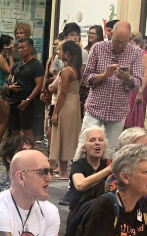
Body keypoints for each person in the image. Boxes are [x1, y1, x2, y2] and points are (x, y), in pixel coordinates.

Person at [79, 21, 143, 155]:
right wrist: (104, 75)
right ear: (111, 34)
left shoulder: (136, 52)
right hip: (96, 107)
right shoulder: (98, 48)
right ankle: (80, 175)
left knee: (110, 151)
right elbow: (86, 78)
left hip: (118, 110)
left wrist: (127, 78)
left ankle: (103, 176)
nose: (120, 45)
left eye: (124, 42)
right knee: (85, 147)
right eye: (117, 41)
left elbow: (137, 82)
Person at [49, 41, 83, 178]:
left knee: (61, 135)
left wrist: (55, 112)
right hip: (74, 104)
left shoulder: (66, 71)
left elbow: (61, 93)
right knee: (69, 136)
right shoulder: (76, 69)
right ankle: (64, 169)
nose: (59, 53)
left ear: (67, 54)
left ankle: (63, 171)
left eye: (62, 51)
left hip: (65, 103)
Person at [65, 126, 111, 214]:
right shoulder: (78, 164)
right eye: (92, 140)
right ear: (84, 147)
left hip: (103, 212)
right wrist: (108, 170)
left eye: (100, 140)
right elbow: (80, 185)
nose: (97, 143)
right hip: (80, 213)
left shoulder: (108, 164)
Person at [8, 38, 44, 145]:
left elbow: (38, 85)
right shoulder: (17, 65)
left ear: (30, 48)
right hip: (14, 101)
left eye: (23, 47)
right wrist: (10, 87)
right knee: (14, 130)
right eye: (19, 48)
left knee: (27, 129)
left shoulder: (36, 65)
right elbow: (9, 80)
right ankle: (16, 151)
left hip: (26, 102)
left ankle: (31, 153)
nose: (20, 50)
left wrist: (28, 100)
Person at [0, 134, 35, 202]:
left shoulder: (36, 181)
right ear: (9, 159)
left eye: (32, 151)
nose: (30, 156)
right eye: (23, 152)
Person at [124, 32, 147, 130]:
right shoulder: (130, 55)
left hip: (139, 88)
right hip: (130, 87)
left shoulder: (144, 55)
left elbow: (146, 74)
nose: (129, 46)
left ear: (138, 43)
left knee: (136, 114)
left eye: (131, 43)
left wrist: (140, 92)